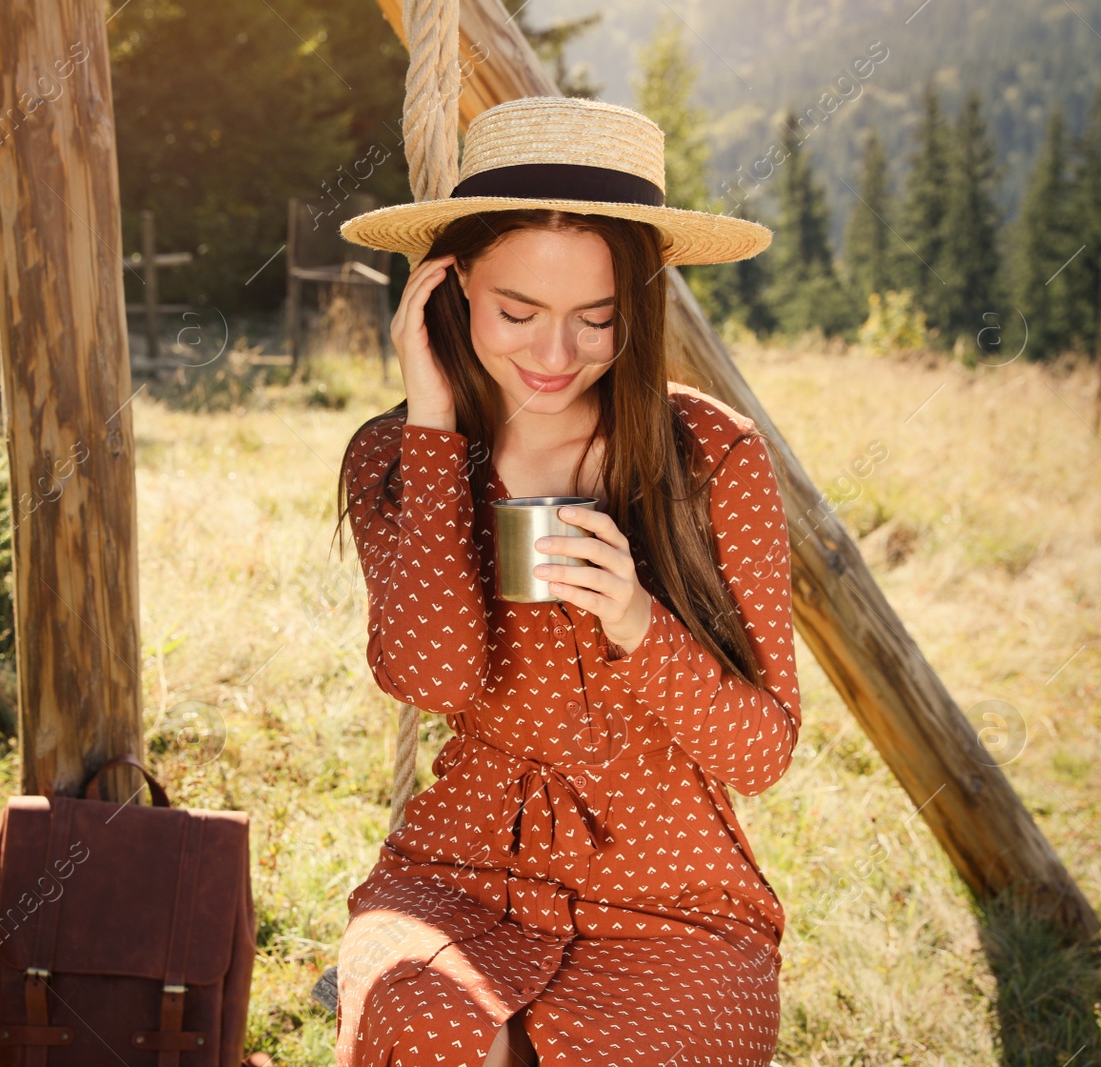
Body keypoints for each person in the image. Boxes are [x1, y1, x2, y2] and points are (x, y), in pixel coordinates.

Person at [329, 96, 801, 1067]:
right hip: (457, 866)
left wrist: (636, 616)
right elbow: (436, 679)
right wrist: (430, 423)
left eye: (596, 318)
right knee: (427, 1033)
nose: (553, 356)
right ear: (451, 287)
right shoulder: (394, 456)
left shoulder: (711, 455)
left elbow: (761, 751)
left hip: (672, 889)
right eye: (517, 312)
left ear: (639, 305)